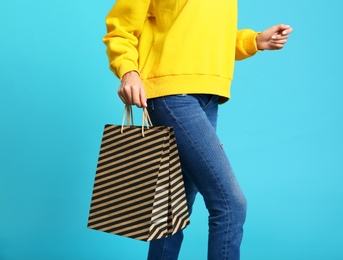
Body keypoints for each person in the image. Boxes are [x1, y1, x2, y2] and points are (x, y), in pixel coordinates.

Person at [103, 0, 292, 259]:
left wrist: (255, 41)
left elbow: (206, 37)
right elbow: (120, 28)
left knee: (173, 211)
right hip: (171, 94)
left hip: (208, 97)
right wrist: (128, 71)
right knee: (230, 204)